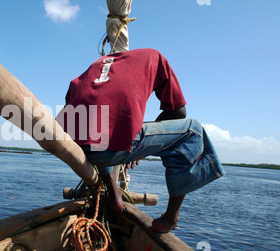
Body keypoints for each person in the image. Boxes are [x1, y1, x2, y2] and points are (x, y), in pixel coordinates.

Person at [56, 1, 225, 233]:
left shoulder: (95, 65)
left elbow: (79, 118)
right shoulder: (154, 57)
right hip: (106, 150)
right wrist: (142, 145)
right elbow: (179, 112)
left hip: (74, 146)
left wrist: (135, 137)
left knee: (98, 131)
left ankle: (114, 194)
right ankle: (170, 217)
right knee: (193, 131)